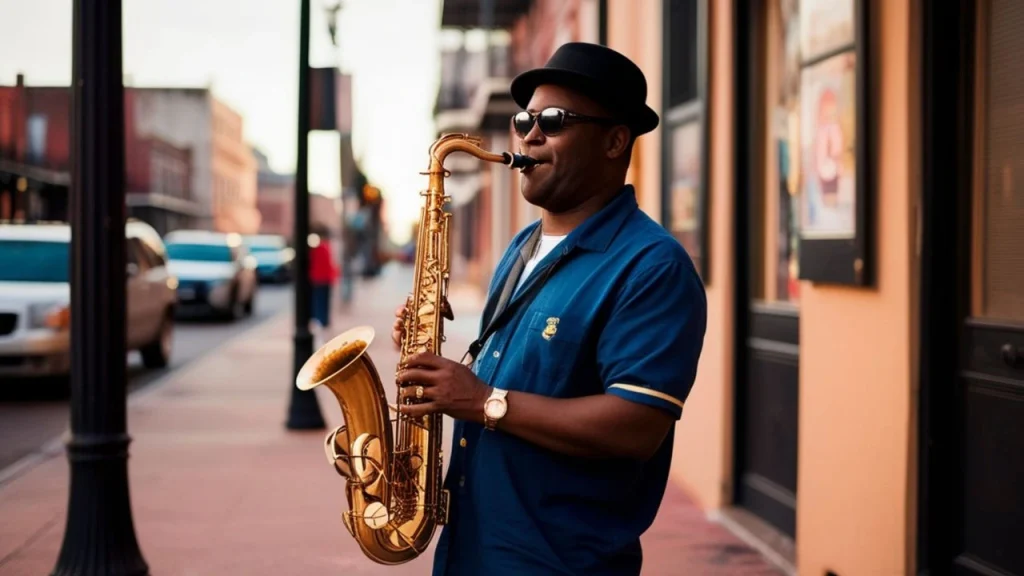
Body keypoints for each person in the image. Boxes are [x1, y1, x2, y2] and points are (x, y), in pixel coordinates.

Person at [392, 42, 707, 575]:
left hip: (557, 561)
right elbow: (531, 380)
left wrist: (485, 401)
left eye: (554, 120)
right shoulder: (520, 248)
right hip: (472, 548)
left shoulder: (654, 266)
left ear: (613, 141)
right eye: (524, 120)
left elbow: (637, 427)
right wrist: (432, 357)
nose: (529, 135)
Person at [309, 223, 339, 331]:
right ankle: (324, 321)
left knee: (319, 301)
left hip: (318, 278)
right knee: (324, 301)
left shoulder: (318, 247)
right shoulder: (327, 246)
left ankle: (320, 320)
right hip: (325, 278)